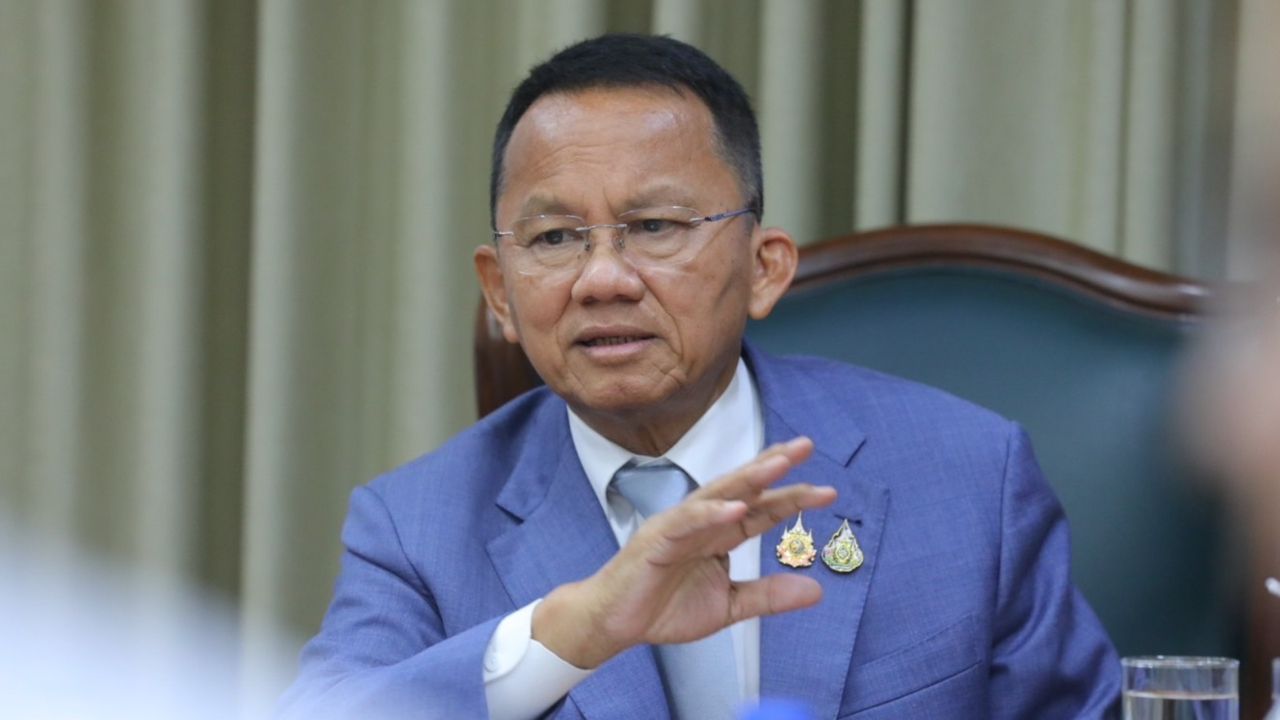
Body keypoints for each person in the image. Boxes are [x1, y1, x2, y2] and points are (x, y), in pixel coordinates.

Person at [279, 34, 1120, 719]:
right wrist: (570, 633)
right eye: (555, 238)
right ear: (499, 292)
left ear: (764, 268)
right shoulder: (415, 530)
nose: (602, 279)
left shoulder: (969, 479)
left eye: (654, 226)